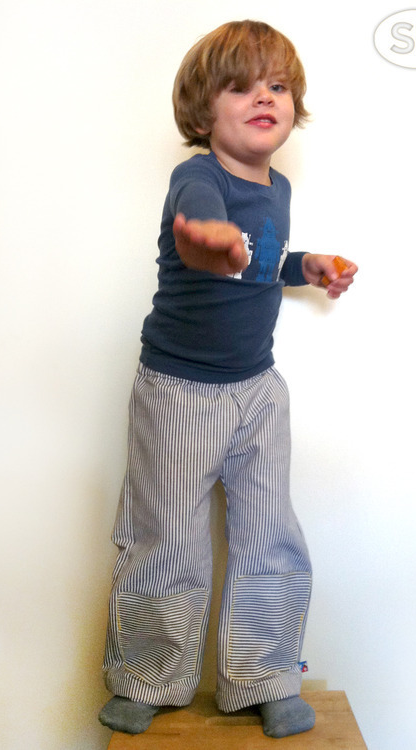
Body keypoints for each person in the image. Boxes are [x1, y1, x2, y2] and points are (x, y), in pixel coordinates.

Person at [99, 19, 357, 739]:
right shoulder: (198, 179)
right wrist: (206, 239)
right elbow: (204, 231)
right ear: (203, 109)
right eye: (241, 87)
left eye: (277, 86)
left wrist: (303, 266)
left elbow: (258, 260)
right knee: (167, 536)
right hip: (179, 391)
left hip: (257, 390)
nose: (264, 98)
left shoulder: (277, 186)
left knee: (270, 535)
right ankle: (149, 677)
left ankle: (265, 677)